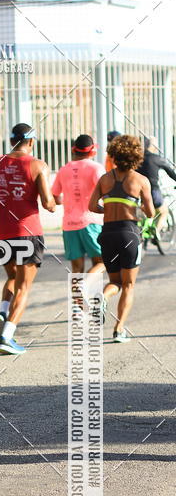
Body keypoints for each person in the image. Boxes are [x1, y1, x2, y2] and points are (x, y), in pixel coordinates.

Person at [0, 122, 56, 355]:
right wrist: (59, 200)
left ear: (10, 141)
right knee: (24, 287)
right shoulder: (38, 165)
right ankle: (7, 335)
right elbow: (48, 203)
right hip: (28, 232)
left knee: (12, 277)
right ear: (31, 141)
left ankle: (2, 310)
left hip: (2, 232)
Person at [88, 135, 154, 343]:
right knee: (128, 285)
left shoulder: (104, 179)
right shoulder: (141, 180)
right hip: (129, 233)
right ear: (136, 156)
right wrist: (137, 206)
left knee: (114, 281)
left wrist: (107, 208)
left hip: (107, 233)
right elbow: (151, 213)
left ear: (114, 155)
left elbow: (92, 207)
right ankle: (119, 329)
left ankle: (103, 297)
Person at [52, 134, 105, 274]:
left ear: (73, 149)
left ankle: (78, 296)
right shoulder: (96, 168)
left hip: (69, 225)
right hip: (91, 222)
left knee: (76, 269)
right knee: (101, 262)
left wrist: (69, 201)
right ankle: (88, 288)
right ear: (93, 151)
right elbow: (106, 192)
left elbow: (56, 197)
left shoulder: (63, 169)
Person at [137, 135, 176, 239]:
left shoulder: (139, 159)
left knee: (145, 211)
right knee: (164, 211)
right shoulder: (157, 159)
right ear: (154, 146)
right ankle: (156, 232)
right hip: (153, 191)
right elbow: (171, 172)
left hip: (139, 191)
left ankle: (145, 229)